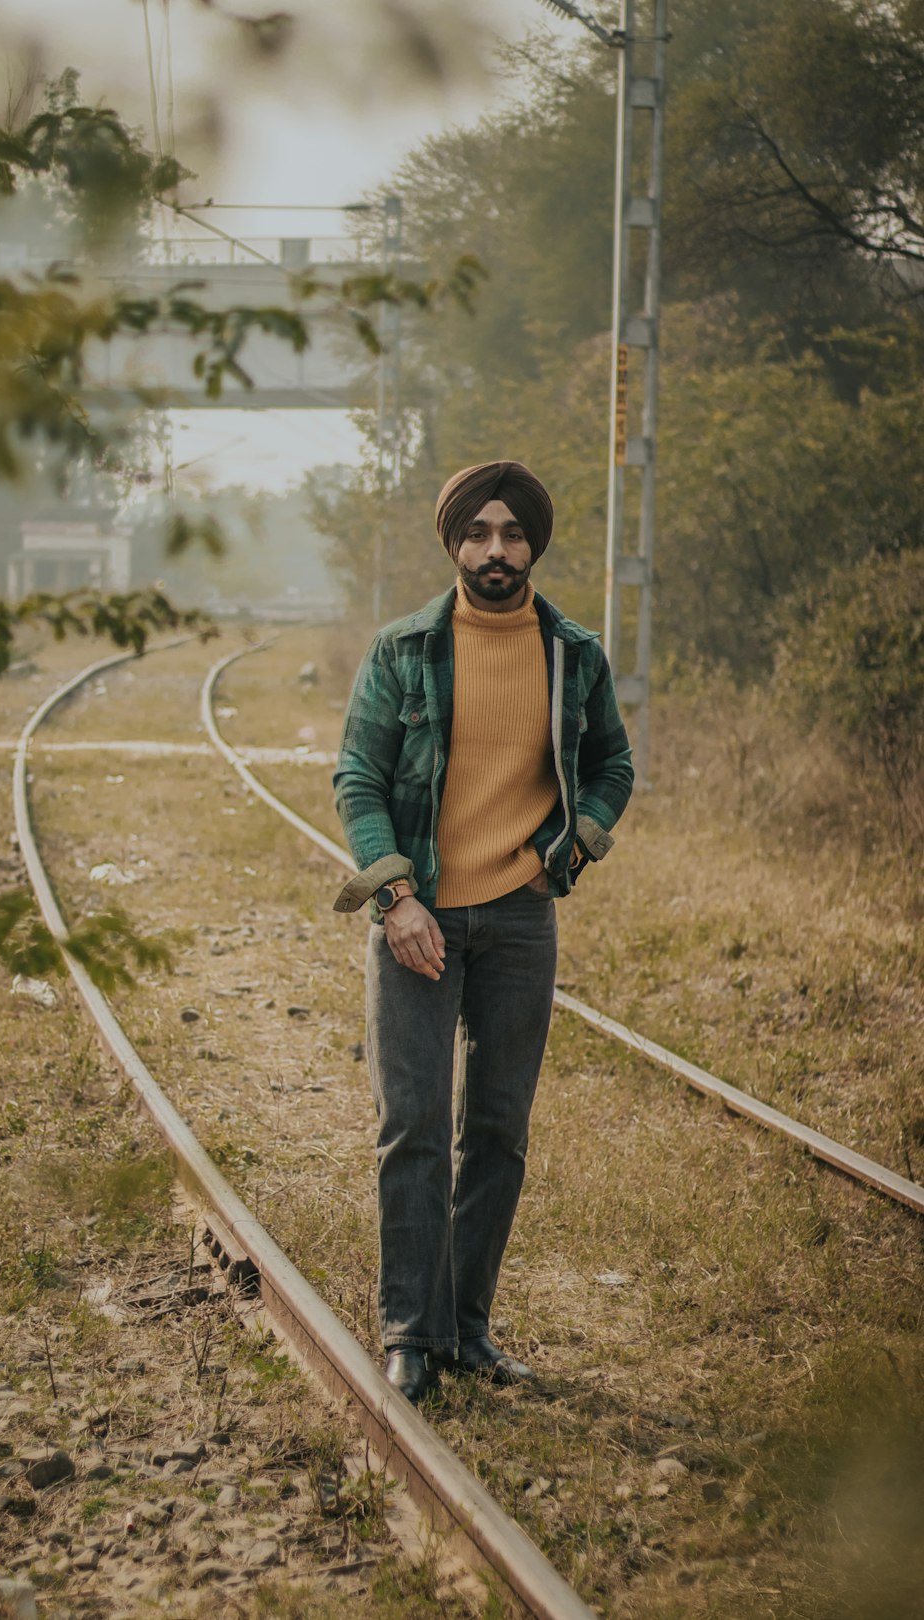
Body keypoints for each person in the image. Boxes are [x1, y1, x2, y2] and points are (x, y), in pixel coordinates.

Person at [332, 460, 634, 1403]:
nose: (494, 550)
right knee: (412, 1123)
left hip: (517, 919)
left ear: (532, 543)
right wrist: (396, 899)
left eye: (511, 533)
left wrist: (573, 847)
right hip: (417, 918)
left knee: (497, 1130)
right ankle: (409, 1336)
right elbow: (358, 779)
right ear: (453, 542)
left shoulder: (573, 654)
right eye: (477, 533)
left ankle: (467, 1331)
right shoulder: (404, 648)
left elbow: (614, 762)